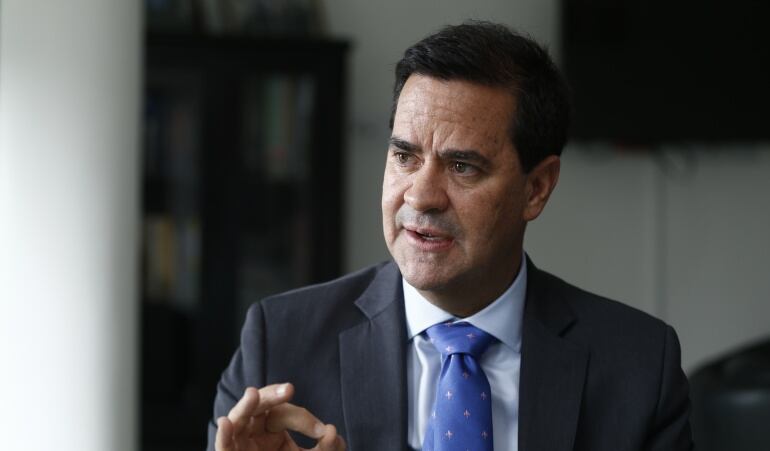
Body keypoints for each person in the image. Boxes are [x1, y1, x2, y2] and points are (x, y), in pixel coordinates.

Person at [207, 21, 694, 451]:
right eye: (404, 157)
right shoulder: (279, 342)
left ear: (537, 188)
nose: (420, 197)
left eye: (462, 166)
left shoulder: (638, 365)